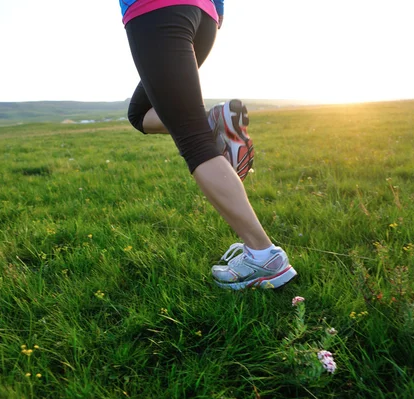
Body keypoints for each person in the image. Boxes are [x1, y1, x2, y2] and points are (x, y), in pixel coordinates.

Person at [120, 0, 297, 289]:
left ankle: (264, 256)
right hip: (204, 15)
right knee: (140, 114)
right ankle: (214, 122)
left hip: (155, 10)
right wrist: (217, 9)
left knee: (193, 139)